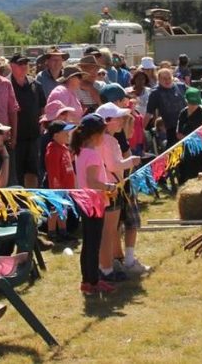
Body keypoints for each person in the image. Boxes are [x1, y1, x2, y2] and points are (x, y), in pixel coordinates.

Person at [96, 103, 144, 280]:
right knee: (108, 232)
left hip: (106, 187)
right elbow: (114, 165)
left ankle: (107, 264)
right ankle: (107, 268)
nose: (120, 122)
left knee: (107, 231)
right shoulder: (109, 140)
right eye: (116, 119)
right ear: (107, 121)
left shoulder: (99, 139)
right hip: (111, 188)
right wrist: (132, 160)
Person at [72, 113, 116, 295]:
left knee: (89, 242)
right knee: (93, 243)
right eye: (103, 133)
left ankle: (88, 281)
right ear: (95, 135)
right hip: (94, 202)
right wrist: (108, 186)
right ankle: (92, 281)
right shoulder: (92, 155)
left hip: (85, 201)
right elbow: (92, 181)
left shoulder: (80, 152)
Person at [8, 53, 47, 187]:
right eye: (20, 64)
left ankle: (34, 200)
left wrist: (43, 122)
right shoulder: (6, 85)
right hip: (15, 138)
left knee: (34, 171)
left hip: (34, 137)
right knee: (16, 172)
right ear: (11, 66)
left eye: (26, 63)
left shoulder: (36, 84)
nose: (24, 66)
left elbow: (43, 106)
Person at [177, 88, 202, 182]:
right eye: (191, 103)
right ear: (186, 101)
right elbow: (178, 134)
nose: (193, 106)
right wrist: (190, 139)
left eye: (195, 103)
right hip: (187, 150)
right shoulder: (183, 113)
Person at [44, 121, 74, 242]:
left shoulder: (63, 148)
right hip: (57, 188)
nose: (68, 134)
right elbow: (53, 172)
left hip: (66, 187)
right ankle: (51, 233)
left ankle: (63, 231)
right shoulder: (53, 150)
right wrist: (56, 189)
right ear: (56, 135)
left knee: (63, 209)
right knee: (55, 209)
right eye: (65, 132)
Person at [145, 68, 187, 147]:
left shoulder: (181, 87)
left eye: (169, 78)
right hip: (171, 128)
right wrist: (141, 130)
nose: (167, 80)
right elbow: (148, 113)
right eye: (164, 78)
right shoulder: (155, 93)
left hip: (187, 125)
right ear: (159, 79)